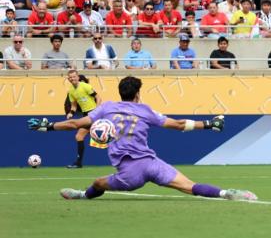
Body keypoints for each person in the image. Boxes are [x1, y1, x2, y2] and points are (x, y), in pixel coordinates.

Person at [28, 76, 257, 201]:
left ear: (121, 92)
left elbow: (74, 124)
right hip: (152, 163)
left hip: (130, 173)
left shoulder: (106, 108)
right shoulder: (145, 110)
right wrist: (208, 124)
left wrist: (47, 126)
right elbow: (177, 125)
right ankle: (227, 193)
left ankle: (82, 196)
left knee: (98, 183)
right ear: (137, 94)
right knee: (190, 186)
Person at [65, 69, 102, 169]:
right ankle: (79, 163)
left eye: (74, 77)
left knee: (109, 136)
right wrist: (70, 113)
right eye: (70, 77)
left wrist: (97, 111)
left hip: (94, 113)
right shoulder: (71, 91)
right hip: (86, 115)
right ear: (68, 79)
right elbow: (74, 106)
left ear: (78, 77)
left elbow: (98, 98)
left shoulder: (85, 86)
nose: (72, 79)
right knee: (79, 137)